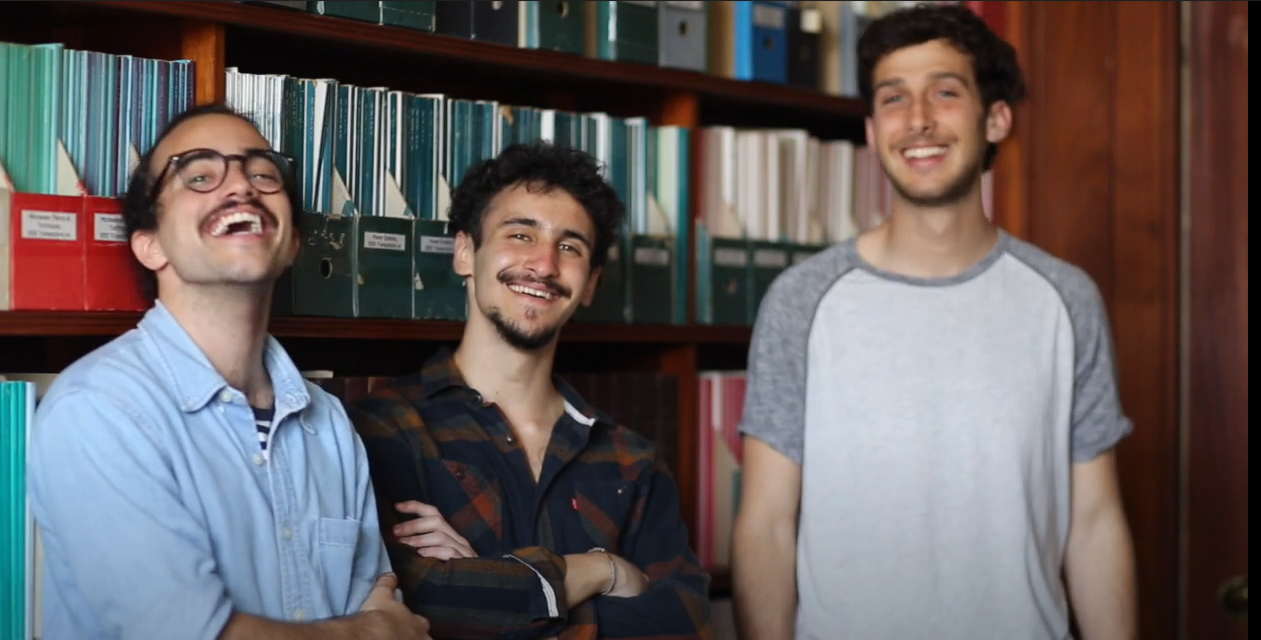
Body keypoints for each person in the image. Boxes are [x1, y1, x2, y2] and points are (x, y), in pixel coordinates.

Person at [731, 5, 1138, 640]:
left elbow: (1094, 522)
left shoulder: (1065, 299)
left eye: (945, 92)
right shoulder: (800, 300)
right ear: (871, 131)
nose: (918, 119)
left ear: (995, 118)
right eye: (894, 99)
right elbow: (766, 525)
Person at [28, 103, 431, 640]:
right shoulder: (98, 409)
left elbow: (379, 598)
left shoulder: (329, 422)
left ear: (291, 244)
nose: (241, 185)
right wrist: (366, 634)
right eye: (198, 175)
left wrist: (375, 624)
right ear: (151, 246)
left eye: (263, 173)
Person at [348, 141, 710, 640]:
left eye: (570, 246)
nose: (543, 265)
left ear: (590, 283)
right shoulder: (381, 429)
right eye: (521, 234)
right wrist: (603, 571)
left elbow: (682, 623)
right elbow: (414, 603)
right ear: (465, 252)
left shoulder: (631, 461)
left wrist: (489, 590)